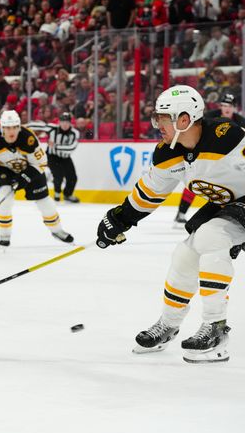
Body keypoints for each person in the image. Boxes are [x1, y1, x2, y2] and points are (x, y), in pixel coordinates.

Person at [96, 85, 245, 363]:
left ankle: (216, 328)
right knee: (186, 253)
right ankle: (169, 324)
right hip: (229, 205)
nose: (157, 124)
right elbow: (149, 193)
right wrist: (120, 218)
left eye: (163, 117)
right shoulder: (168, 153)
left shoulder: (228, 137)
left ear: (185, 119)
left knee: (212, 237)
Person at [0, 110, 74, 247]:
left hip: (30, 169)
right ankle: (4, 234)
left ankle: (57, 230)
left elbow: (41, 163)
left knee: (45, 202)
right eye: (8, 128)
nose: (11, 131)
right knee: (4, 198)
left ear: (19, 127)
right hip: (4, 169)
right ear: (2, 128)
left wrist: (25, 177)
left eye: (15, 127)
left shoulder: (29, 139)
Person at [174, 93, 244, 225]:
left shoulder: (241, 122)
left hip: (226, 160)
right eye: (223, 105)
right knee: (197, 182)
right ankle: (181, 213)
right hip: (205, 155)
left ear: (235, 107)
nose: (226, 108)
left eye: (229, 105)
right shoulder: (210, 116)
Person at [28, 112, 81, 202]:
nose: (65, 124)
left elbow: (71, 148)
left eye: (67, 122)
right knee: (58, 175)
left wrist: (56, 146)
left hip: (65, 157)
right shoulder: (52, 128)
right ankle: (57, 194)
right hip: (52, 156)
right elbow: (39, 126)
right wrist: (21, 126)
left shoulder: (75, 133)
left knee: (72, 177)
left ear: (70, 123)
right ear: (59, 122)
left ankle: (68, 194)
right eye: (62, 121)